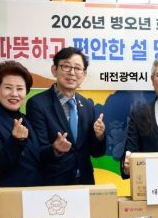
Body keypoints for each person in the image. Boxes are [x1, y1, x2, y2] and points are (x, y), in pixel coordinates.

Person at [26, 47, 106, 185]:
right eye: (66, 66)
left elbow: (96, 152)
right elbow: (36, 151)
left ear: (84, 74)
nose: (72, 73)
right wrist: (55, 149)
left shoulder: (87, 105)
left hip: (85, 181)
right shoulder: (37, 104)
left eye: (77, 68)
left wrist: (99, 136)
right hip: (54, 184)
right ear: (54, 70)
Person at [0, 61, 41, 187]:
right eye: (8, 88)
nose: (14, 94)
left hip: (32, 193)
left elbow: (35, 158)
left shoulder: (27, 120)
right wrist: (16, 141)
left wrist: (56, 150)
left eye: (20, 89)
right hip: (7, 194)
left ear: (26, 92)